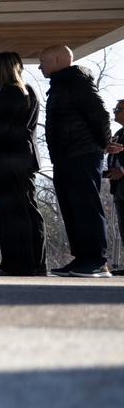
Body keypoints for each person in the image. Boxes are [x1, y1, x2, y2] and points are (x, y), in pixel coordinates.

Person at [39, 44, 122, 277]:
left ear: (58, 60)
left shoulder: (77, 81)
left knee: (85, 206)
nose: (39, 66)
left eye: (42, 61)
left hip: (82, 153)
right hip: (64, 155)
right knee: (71, 207)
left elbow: (100, 113)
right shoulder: (60, 84)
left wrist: (104, 143)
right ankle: (82, 258)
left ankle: (97, 260)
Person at [0, 52, 46, 276]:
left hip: (7, 161)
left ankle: (17, 264)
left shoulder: (11, 93)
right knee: (27, 211)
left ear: (1, 70)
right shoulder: (27, 91)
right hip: (21, 159)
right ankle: (33, 264)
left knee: (11, 213)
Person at [107, 99, 124, 275]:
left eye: (118, 109)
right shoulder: (120, 132)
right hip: (119, 189)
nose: (115, 112)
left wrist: (122, 170)